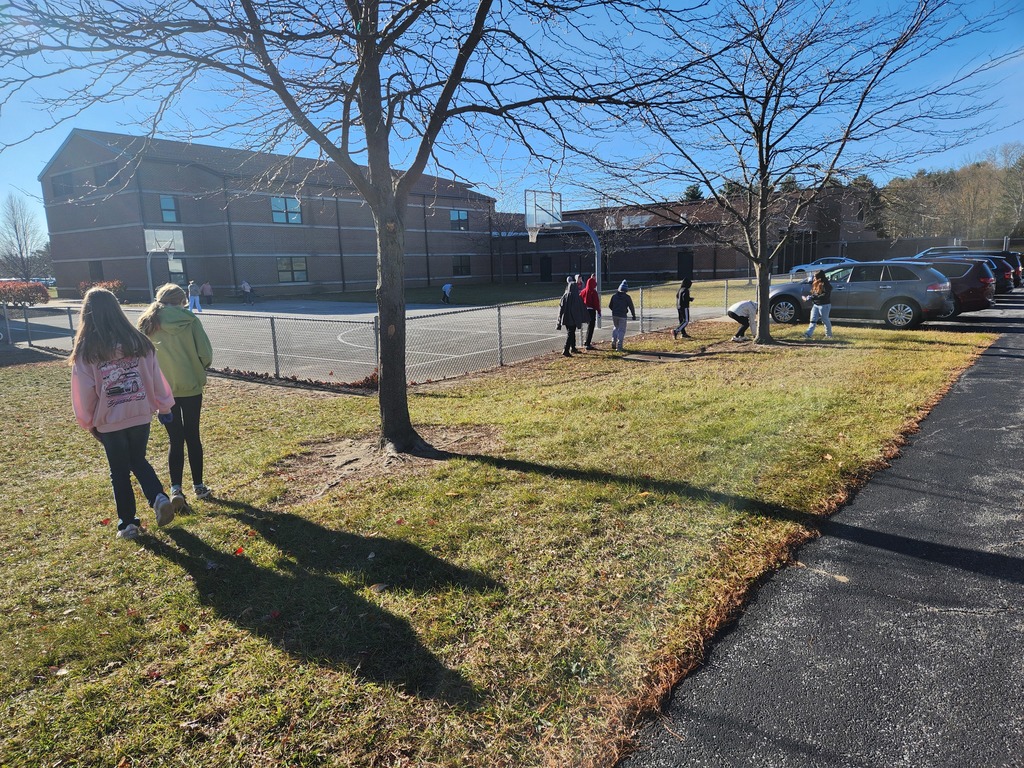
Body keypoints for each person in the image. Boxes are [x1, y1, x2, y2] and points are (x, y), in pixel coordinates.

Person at [70, 287, 177, 539]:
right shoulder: (139, 342)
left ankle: (128, 523)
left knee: (119, 470)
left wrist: (88, 422)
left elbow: (84, 392)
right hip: (140, 414)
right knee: (137, 459)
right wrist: (164, 406)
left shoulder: (87, 351)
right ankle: (158, 497)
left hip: (109, 420)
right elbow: (155, 378)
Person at [138, 284, 215, 510]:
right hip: (190, 385)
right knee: (193, 435)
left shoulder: (147, 322)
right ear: (182, 300)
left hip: (162, 390)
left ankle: (175, 488)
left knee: (175, 439)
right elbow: (205, 353)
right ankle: (199, 486)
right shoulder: (190, 320)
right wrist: (199, 367)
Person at [557, 276, 589, 357]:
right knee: (570, 333)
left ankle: (573, 347)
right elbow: (580, 309)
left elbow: (561, 308)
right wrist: (582, 318)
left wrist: (559, 320)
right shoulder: (577, 297)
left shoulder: (564, 296)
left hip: (566, 318)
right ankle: (566, 349)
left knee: (570, 332)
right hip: (573, 318)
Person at [802, 269, 834, 339]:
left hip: (824, 305)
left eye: (815, 277)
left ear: (819, 277)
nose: (814, 278)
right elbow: (815, 293)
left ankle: (829, 335)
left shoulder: (826, 284)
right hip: (816, 305)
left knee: (825, 320)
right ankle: (808, 334)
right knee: (812, 320)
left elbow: (824, 295)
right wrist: (810, 297)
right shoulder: (816, 283)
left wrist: (813, 297)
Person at [608, 280, 637, 352]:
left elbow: (610, 306)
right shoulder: (627, 297)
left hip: (615, 315)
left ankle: (613, 340)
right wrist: (633, 315)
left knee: (615, 327)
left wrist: (614, 310)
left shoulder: (614, 296)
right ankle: (619, 345)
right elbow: (631, 307)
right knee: (621, 330)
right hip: (623, 315)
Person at [579, 274, 602, 350]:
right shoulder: (593, 292)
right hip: (591, 311)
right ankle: (587, 343)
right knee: (591, 326)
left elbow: (580, 298)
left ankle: (586, 341)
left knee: (588, 326)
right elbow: (596, 302)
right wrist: (598, 310)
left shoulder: (583, 291)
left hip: (585, 310)